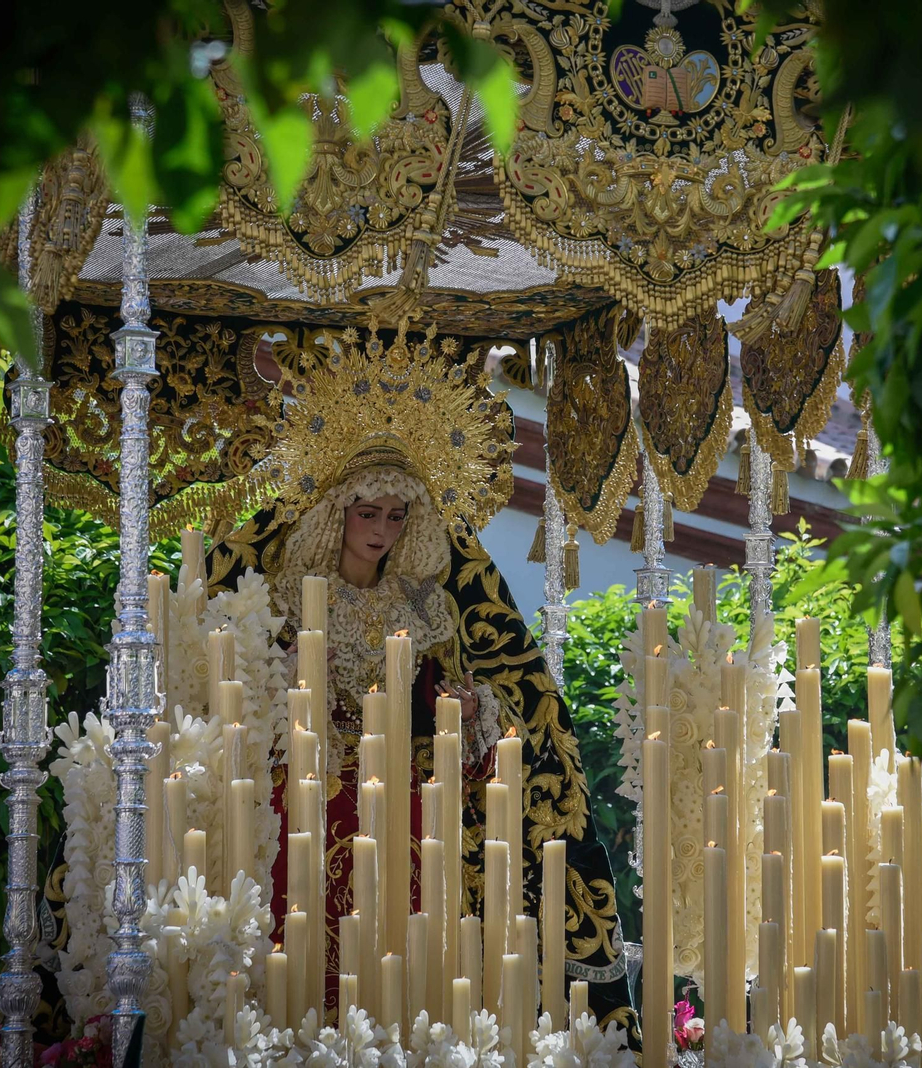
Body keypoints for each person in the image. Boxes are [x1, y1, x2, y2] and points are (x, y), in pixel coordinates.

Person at [205, 326, 634, 1030]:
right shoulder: (286, 596)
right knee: (299, 948)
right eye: (367, 514)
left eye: (396, 516)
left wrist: (467, 713)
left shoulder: (425, 607)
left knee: (396, 953)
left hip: (402, 805)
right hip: (303, 797)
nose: (380, 531)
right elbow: (242, 699)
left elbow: (449, 716)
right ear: (335, 513)